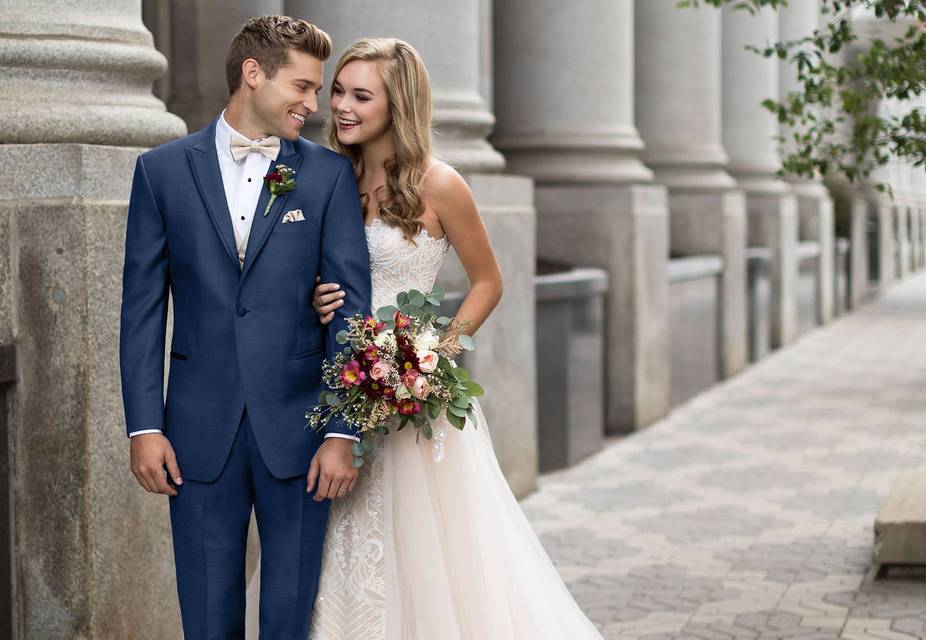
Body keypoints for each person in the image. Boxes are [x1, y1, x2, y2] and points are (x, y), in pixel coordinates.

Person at [306, 37, 604, 639]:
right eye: (338, 90)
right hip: (335, 387)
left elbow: (489, 283)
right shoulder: (328, 176)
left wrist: (427, 355)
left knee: (427, 551)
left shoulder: (440, 185)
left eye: (361, 95)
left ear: (399, 104)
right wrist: (313, 299)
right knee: (342, 537)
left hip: (412, 401)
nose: (341, 105)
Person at [119, 16, 371, 639]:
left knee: (289, 615)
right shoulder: (161, 171)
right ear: (253, 75)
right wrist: (145, 426)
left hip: (301, 429)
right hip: (196, 433)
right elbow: (143, 310)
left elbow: (352, 313)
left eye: (319, 90)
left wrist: (341, 430)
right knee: (206, 615)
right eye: (305, 86)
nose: (316, 105)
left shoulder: (325, 175)